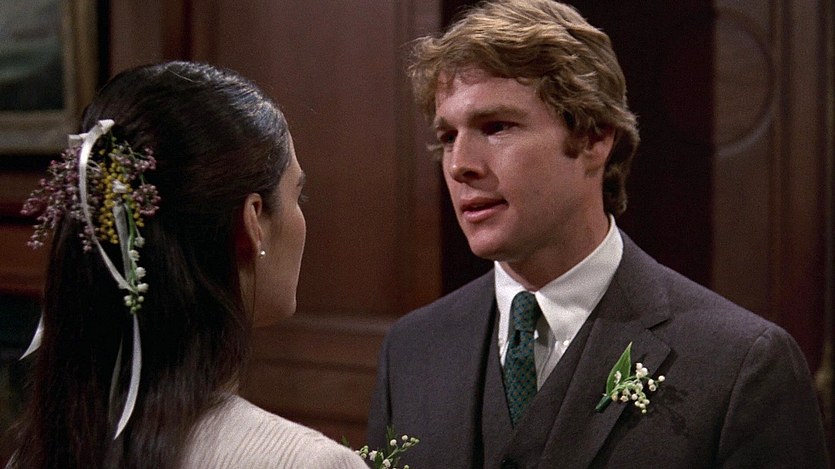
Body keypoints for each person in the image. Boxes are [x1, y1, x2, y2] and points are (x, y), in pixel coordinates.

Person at [367, 1, 829, 467]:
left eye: (496, 127)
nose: (460, 165)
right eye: (448, 136)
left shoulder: (742, 366)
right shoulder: (412, 349)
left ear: (593, 139)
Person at [8, 61, 366, 468]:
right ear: (253, 222)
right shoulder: (307, 462)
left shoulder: (40, 451)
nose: (302, 218)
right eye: (297, 197)